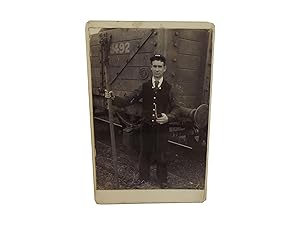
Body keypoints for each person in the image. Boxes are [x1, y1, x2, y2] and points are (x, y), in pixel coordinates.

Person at [105, 54, 179, 188]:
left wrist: (169, 117)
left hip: (162, 128)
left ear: (164, 69)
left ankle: (162, 180)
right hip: (146, 127)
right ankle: (143, 178)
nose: (157, 69)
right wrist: (113, 97)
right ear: (151, 68)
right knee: (144, 153)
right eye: (154, 66)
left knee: (162, 154)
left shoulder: (169, 88)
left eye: (160, 67)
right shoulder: (144, 86)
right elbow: (128, 100)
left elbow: (177, 108)